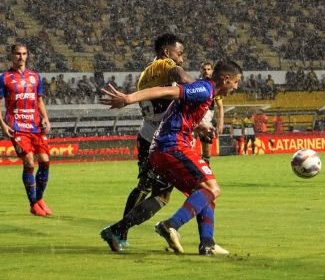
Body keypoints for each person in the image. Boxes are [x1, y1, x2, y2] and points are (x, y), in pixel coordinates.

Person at [101, 59, 242, 255]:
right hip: (172, 146)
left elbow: (176, 109)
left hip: (163, 148)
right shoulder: (204, 89)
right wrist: (128, 99)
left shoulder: (206, 93)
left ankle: (207, 243)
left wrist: (200, 126)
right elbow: (166, 91)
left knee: (201, 193)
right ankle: (170, 225)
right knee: (212, 188)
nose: (236, 87)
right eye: (236, 82)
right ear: (226, 79)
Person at [101, 33, 195, 247]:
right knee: (162, 195)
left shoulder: (147, 72)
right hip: (164, 139)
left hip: (147, 135)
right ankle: (118, 230)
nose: (181, 59)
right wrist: (202, 90)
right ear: (166, 52)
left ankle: (120, 233)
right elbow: (183, 78)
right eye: (179, 54)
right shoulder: (164, 64)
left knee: (144, 186)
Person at [0, 43, 53, 216]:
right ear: (11, 56)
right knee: (29, 162)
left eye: (24, 54)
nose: (21, 57)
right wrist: (3, 125)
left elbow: (39, 100)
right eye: (18, 54)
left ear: (27, 55)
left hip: (35, 125)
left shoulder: (35, 76)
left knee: (45, 160)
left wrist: (46, 119)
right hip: (17, 126)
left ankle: (39, 199)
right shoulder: (4, 78)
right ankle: (33, 204)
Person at [197, 61, 224, 164]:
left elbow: (220, 107)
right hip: (193, 118)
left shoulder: (214, 86)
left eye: (208, 69)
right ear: (200, 70)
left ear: (212, 71)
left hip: (207, 118)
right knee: (189, 147)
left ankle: (205, 169)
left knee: (206, 151)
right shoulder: (195, 83)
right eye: (204, 69)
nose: (206, 71)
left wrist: (221, 121)